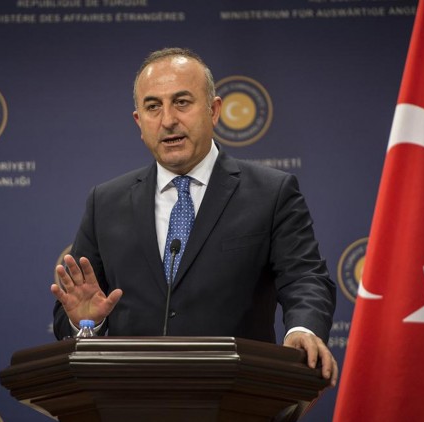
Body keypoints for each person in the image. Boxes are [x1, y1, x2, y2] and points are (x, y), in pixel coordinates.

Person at [50, 48, 338, 392]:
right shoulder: (106, 202)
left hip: (239, 399)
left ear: (213, 110)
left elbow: (305, 278)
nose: (168, 120)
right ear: (139, 122)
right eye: (153, 107)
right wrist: (86, 323)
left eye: (182, 102)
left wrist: (303, 329)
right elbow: (73, 309)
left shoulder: (271, 193)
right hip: (132, 401)